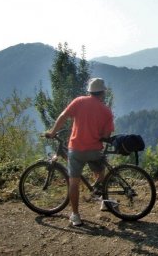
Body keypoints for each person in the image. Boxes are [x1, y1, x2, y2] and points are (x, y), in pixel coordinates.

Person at [45, 78, 114, 226]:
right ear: (102, 93)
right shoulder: (106, 110)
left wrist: (52, 132)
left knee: (74, 182)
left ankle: (75, 216)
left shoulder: (79, 101)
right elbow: (106, 135)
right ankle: (103, 201)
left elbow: (63, 116)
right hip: (95, 149)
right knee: (100, 173)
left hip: (76, 149)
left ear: (89, 91)